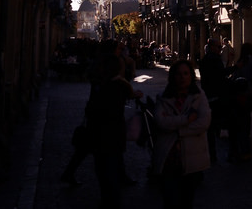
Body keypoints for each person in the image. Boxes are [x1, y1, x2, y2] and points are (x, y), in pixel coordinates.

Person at [85, 52, 143, 208]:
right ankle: (112, 200)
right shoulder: (120, 85)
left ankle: (108, 197)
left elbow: (90, 108)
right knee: (110, 168)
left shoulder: (98, 83)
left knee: (103, 169)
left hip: (98, 133)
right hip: (113, 133)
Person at [153, 59, 211, 209]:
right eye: (178, 74)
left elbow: (203, 122)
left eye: (186, 73)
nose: (182, 77)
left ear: (191, 76)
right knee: (170, 200)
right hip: (168, 157)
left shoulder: (199, 96)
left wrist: (178, 129)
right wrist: (186, 119)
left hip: (192, 156)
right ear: (172, 77)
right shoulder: (163, 97)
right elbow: (160, 122)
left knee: (187, 200)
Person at [198, 38, 227, 163]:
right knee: (212, 125)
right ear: (212, 47)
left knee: (211, 127)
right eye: (218, 47)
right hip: (215, 94)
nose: (220, 50)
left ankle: (210, 153)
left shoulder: (205, 59)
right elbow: (220, 75)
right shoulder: (214, 59)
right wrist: (236, 68)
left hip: (208, 93)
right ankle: (212, 154)